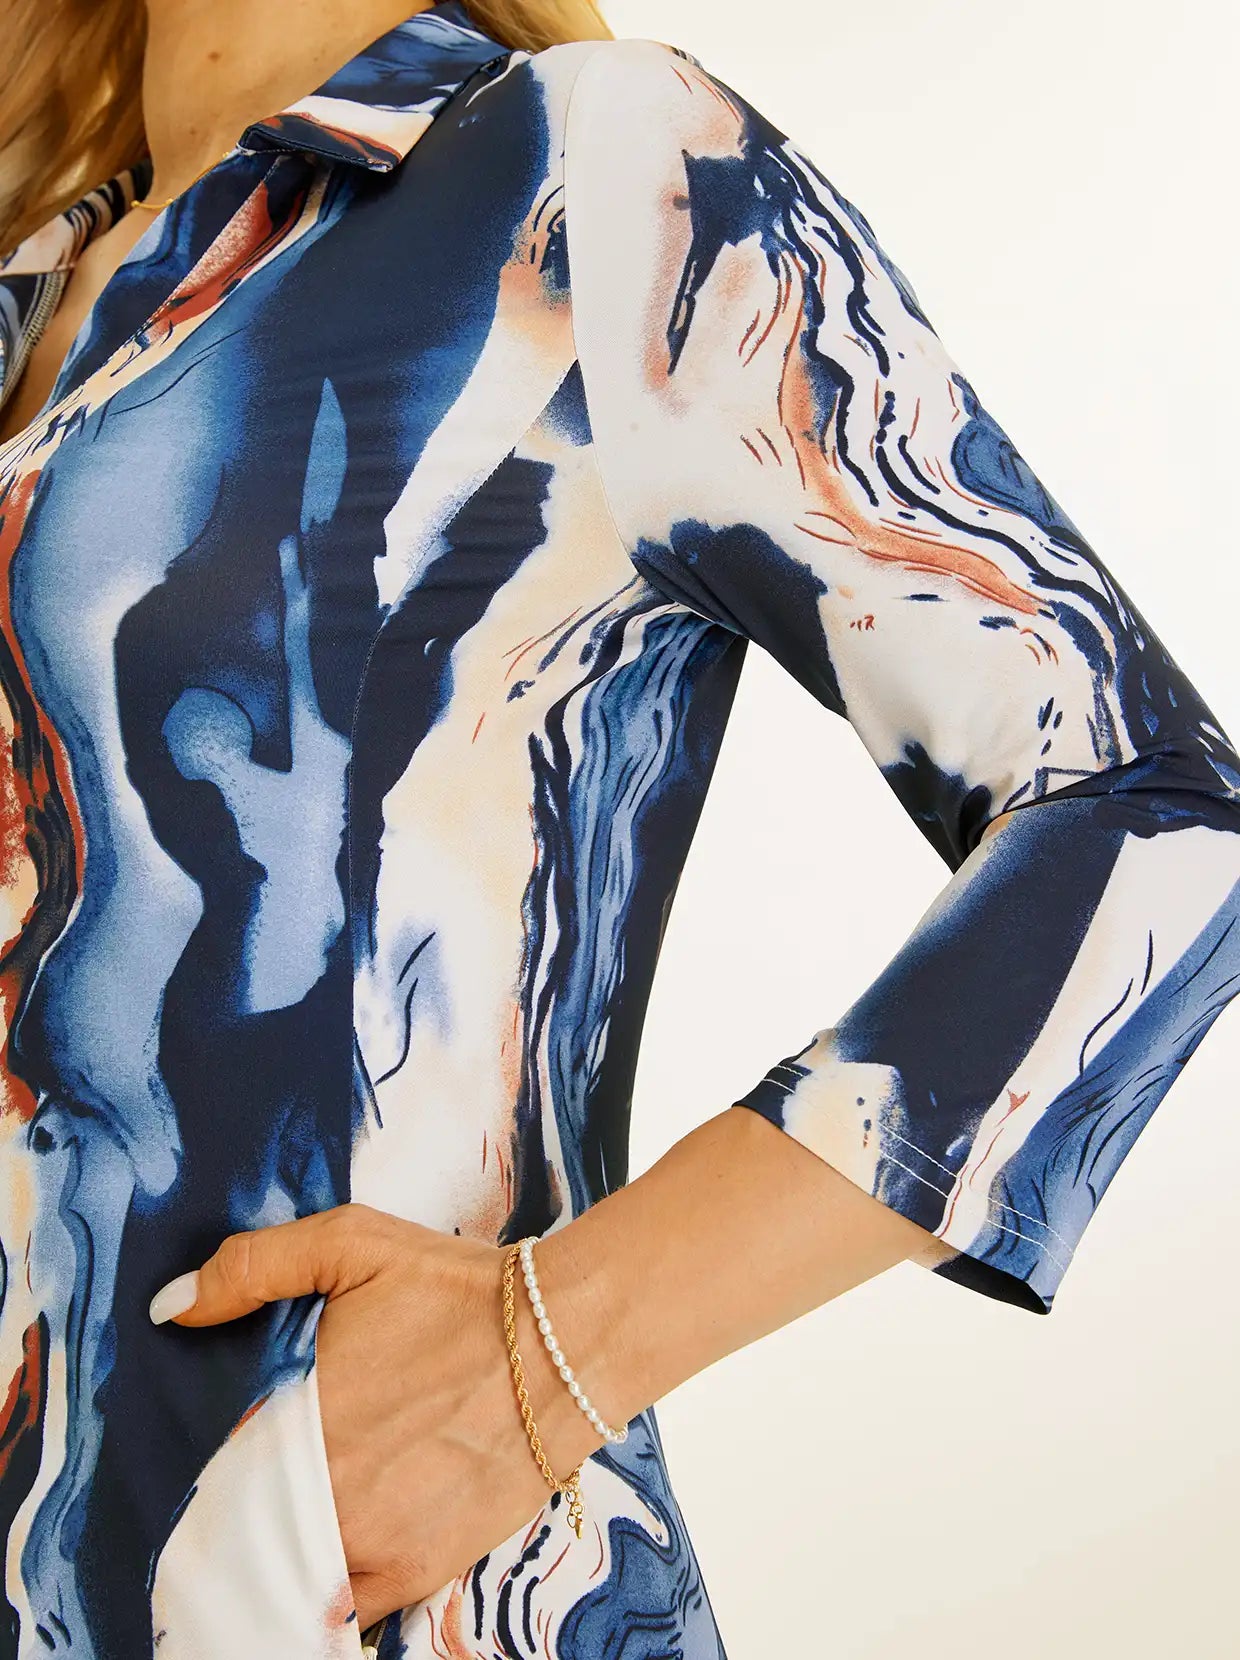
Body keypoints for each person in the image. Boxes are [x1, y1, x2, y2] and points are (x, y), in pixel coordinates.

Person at [0, 0, 1236, 1654]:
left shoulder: (580, 174)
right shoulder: (38, 282)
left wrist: (546, 1351)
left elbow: (1150, 809)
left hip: (329, 1587)